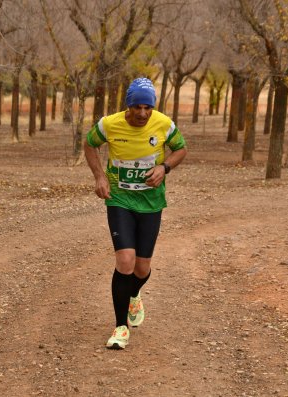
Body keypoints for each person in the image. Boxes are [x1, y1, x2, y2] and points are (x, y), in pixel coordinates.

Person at [84, 77, 187, 350]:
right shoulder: (108, 124)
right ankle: (120, 328)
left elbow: (181, 148)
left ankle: (134, 295)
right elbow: (89, 143)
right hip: (120, 200)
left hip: (151, 203)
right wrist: (99, 177)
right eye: (137, 107)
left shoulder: (164, 124)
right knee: (125, 261)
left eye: (147, 108)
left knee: (141, 268)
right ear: (128, 106)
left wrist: (164, 168)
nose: (142, 113)